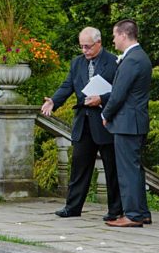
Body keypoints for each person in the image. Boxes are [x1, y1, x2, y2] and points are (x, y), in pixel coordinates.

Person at [41, 27, 122, 221]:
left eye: (88, 47)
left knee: (111, 168)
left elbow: (121, 91)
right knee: (79, 167)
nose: (84, 50)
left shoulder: (114, 62)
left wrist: (101, 99)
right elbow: (68, 85)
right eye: (82, 47)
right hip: (83, 122)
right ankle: (73, 207)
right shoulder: (77, 63)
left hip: (105, 123)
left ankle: (115, 210)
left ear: (99, 43)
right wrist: (54, 101)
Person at [102, 19, 152, 228]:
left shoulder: (132, 60)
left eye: (114, 36)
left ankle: (132, 214)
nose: (113, 41)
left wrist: (106, 113)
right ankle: (141, 211)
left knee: (127, 170)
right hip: (135, 121)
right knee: (135, 168)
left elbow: (118, 93)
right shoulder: (140, 57)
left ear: (124, 35)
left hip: (127, 122)